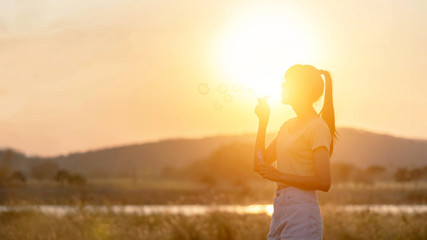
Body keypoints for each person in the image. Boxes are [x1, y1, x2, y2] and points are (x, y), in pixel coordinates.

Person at [253, 64, 338, 240]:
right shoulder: (286, 126)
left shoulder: (317, 127)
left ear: (305, 88)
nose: (282, 87)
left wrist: (278, 175)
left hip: (302, 211)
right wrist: (263, 121)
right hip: (280, 207)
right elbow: (259, 164)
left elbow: (324, 182)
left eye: (287, 83)